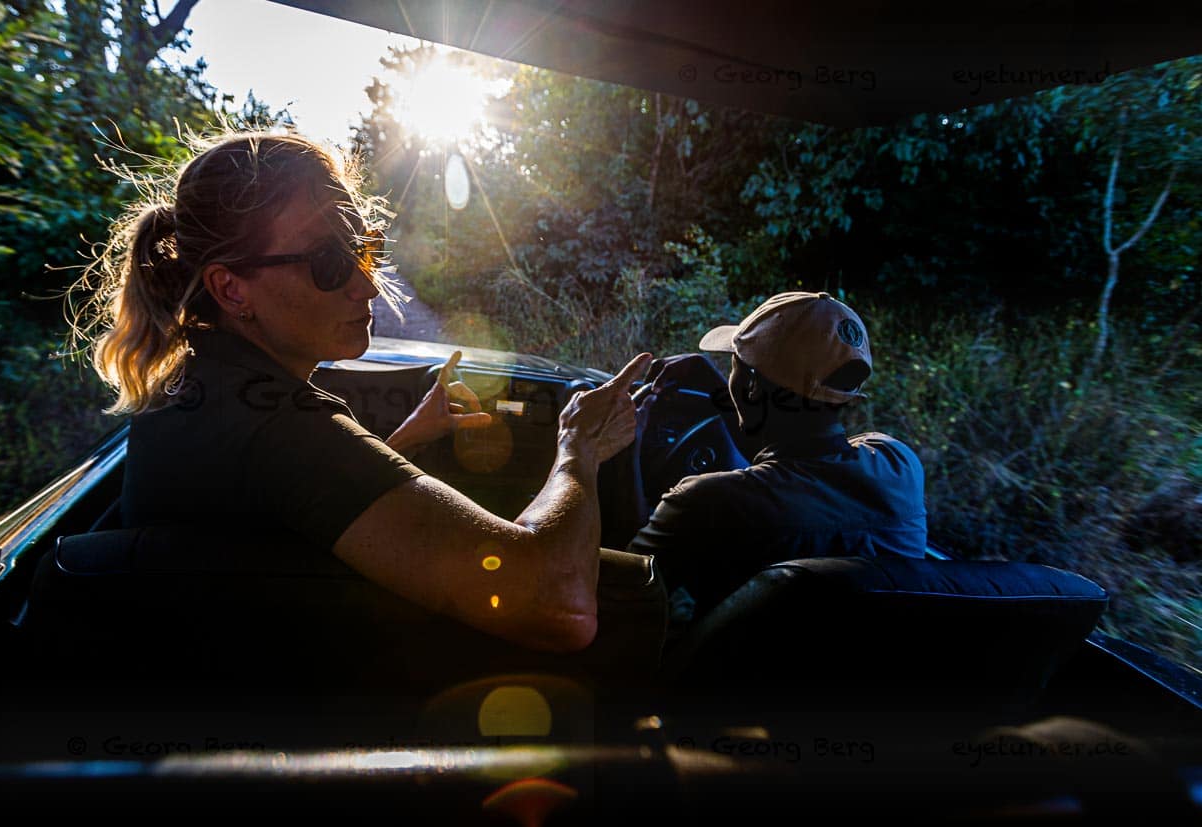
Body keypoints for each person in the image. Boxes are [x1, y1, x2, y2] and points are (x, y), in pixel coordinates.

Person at [72, 131, 651, 654]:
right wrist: (579, 449)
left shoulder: (203, 387)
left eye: (361, 248)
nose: (366, 283)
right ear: (230, 288)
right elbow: (556, 603)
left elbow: (292, 524)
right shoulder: (275, 425)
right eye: (328, 262)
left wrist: (407, 439)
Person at [624, 291, 927, 627]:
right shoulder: (900, 465)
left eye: (734, 366)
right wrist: (718, 389)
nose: (729, 376)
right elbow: (800, 454)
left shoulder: (704, 503)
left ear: (751, 386)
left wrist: (620, 449)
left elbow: (620, 585)